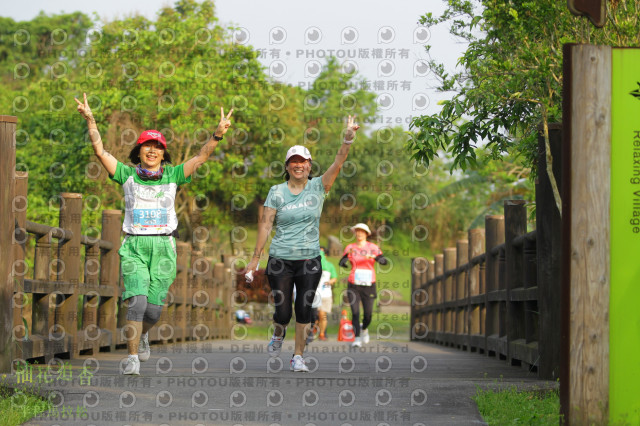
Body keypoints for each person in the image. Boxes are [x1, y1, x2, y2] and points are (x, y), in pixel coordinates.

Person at [75, 93, 233, 375]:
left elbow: (201, 156)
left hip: (163, 248)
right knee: (136, 302)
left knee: (153, 311)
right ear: (139, 151)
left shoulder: (173, 175)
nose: (151, 151)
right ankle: (133, 357)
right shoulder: (126, 174)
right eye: (147, 146)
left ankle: (144, 334)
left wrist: (217, 136)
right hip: (134, 246)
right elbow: (101, 152)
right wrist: (91, 121)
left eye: (157, 147)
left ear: (163, 153)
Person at [246, 116, 360, 372]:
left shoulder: (319, 187)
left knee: (304, 307)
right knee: (284, 312)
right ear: (287, 166)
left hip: (309, 258)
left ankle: (298, 356)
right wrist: (255, 258)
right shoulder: (276, 191)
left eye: (303, 162)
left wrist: (348, 138)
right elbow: (265, 224)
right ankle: (278, 332)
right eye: (294, 162)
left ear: (309, 166)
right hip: (280, 259)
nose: (299, 166)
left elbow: (339, 161)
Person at [339, 223, 388, 348]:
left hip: (369, 283)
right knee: (355, 312)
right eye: (357, 231)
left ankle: (364, 329)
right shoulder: (350, 247)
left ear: (366, 234)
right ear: (355, 233)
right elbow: (342, 262)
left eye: (362, 231)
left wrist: (373, 257)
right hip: (353, 283)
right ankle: (357, 338)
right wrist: (345, 259)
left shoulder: (373, 247)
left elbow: (384, 261)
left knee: (368, 314)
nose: (359, 233)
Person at [317, 246, 337, 341]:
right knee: (315, 315)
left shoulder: (330, 266)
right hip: (314, 294)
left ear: (325, 255)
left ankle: (322, 334)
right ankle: (315, 328)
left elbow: (334, 277)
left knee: (322, 314)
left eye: (321, 253)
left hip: (326, 294)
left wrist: (330, 282)